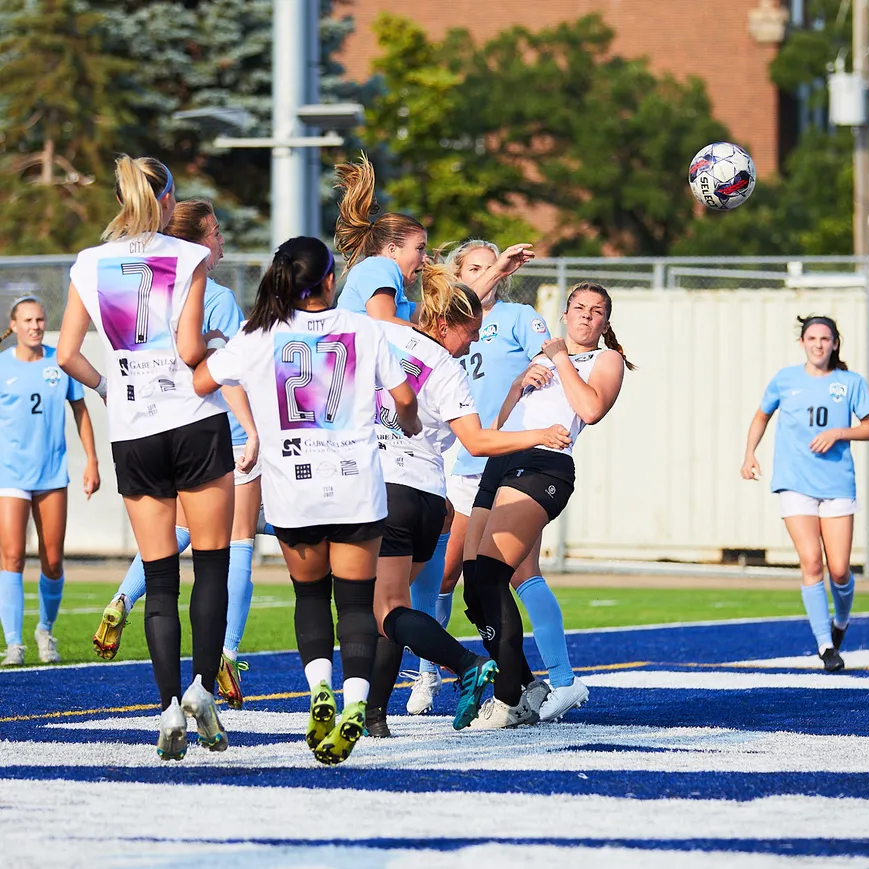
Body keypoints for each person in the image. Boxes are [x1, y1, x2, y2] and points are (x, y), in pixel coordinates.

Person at [195, 235, 420, 765]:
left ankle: (319, 692)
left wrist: (208, 344)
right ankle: (355, 706)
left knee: (311, 598)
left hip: (292, 485)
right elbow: (405, 399)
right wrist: (407, 425)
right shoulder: (363, 328)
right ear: (327, 279)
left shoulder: (258, 334)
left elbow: (204, 377)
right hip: (354, 484)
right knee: (358, 605)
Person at [57, 155, 237, 760]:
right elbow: (189, 347)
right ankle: (202, 690)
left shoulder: (89, 262)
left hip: (133, 430)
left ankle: (165, 708)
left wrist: (111, 390)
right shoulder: (187, 257)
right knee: (210, 564)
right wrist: (215, 344)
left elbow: (67, 354)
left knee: (159, 579)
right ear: (166, 199)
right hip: (192, 421)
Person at [365, 264, 572, 736]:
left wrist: (535, 434)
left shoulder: (380, 335)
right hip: (427, 499)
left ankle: (466, 663)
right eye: (473, 331)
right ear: (444, 324)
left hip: (383, 491)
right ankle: (376, 717)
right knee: (391, 608)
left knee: (381, 611)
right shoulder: (442, 365)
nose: (475, 343)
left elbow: (477, 444)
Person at [93, 201, 261, 709]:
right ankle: (223, 659)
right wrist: (255, 427)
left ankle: (124, 597)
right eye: (215, 233)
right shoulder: (213, 292)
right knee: (234, 550)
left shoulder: (122, 277)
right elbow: (223, 363)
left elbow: (80, 351)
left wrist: (106, 388)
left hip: (142, 428)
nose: (222, 242)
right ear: (196, 241)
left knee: (171, 546)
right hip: (215, 429)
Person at [464, 281, 631, 729]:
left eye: (596, 311)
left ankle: (520, 694)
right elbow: (499, 427)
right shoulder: (538, 360)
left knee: (493, 575)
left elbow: (591, 409)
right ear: (565, 313)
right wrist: (519, 384)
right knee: (478, 587)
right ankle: (531, 685)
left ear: (605, 322)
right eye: (578, 308)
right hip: (503, 461)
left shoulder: (605, 359)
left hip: (544, 464)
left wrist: (560, 358)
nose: (585, 316)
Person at [741, 316, 869, 672]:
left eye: (825, 338)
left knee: (839, 571)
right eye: (812, 338)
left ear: (835, 343)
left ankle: (842, 623)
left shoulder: (850, 382)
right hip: (795, 482)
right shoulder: (785, 379)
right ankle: (825, 646)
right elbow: (761, 417)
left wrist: (838, 433)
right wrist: (749, 454)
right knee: (811, 562)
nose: (818, 344)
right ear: (802, 342)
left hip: (836, 485)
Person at [0, 296, 100, 665]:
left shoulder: (60, 361)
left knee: (53, 560)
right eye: (27, 320)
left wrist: (92, 460)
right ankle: (14, 643)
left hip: (51, 474)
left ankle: (45, 630)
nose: (35, 326)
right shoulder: (2, 367)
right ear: (14, 325)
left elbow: (81, 412)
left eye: (40, 319)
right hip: (10, 474)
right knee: (10, 557)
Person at [332, 155, 426, 326]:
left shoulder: (389, 284)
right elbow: (384, 321)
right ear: (392, 250)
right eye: (420, 248)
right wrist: (433, 340)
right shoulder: (380, 266)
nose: (424, 258)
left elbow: (432, 312)